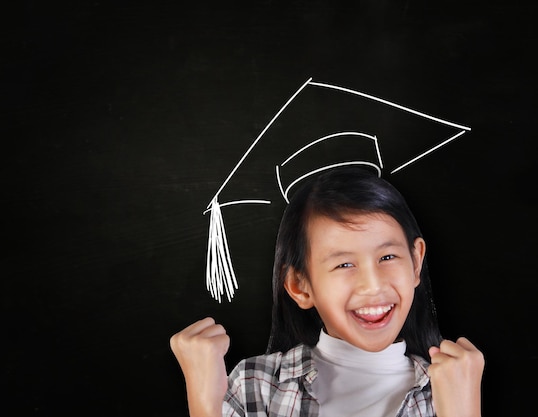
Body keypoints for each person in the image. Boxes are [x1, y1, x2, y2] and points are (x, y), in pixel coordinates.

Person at [170, 166, 484, 417]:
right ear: (299, 286)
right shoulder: (257, 387)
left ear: (416, 262)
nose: (373, 285)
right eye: (344, 265)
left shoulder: (447, 393)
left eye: (387, 257)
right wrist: (204, 401)